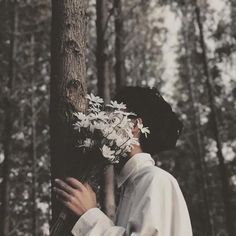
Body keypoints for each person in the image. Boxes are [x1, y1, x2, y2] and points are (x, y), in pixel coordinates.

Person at [54, 87, 193, 236]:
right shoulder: (133, 185)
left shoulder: (155, 180)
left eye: (111, 114)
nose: (103, 121)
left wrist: (89, 215)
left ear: (134, 126)